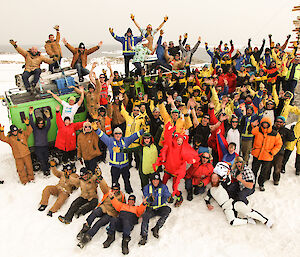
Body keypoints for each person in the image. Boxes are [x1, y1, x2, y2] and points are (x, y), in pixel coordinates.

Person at [153, 122, 199, 207]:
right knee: (163, 183)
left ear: (183, 142)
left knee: (175, 187)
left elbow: (189, 157)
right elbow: (167, 137)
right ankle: (163, 195)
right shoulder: (171, 145)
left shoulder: (184, 150)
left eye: (181, 141)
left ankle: (179, 197)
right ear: (175, 140)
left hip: (175, 172)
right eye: (178, 140)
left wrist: (192, 159)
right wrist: (169, 130)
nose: (179, 142)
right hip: (168, 169)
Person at [205, 173, 273, 228]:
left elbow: (228, 180)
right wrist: (208, 204)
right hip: (226, 208)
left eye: (215, 178)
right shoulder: (211, 190)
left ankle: (265, 221)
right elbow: (206, 199)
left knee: (248, 211)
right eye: (212, 178)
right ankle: (247, 221)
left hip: (233, 202)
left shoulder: (223, 184)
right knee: (232, 222)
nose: (214, 180)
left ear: (218, 179)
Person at [93, 124, 144, 194]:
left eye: (119, 133)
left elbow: (134, 136)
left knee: (126, 180)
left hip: (125, 166)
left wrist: (143, 130)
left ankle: (128, 190)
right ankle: (115, 191)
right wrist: (96, 130)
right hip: (115, 167)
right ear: (114, 135)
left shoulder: (126, 141)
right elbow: (103, 136)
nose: (118, 135)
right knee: (114, 181)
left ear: (121, 134)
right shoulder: (110, 141)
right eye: (116, 133)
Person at [76, 178, 126, 249]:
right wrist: (100, 178)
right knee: (95, 212)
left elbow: (121, 207)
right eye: (113, 189)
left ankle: (86, 238)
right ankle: (86, 227)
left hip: (111, 213)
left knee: (99, 223)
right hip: (104, 207)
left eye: (116, 189)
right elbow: (103, 185)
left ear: (119, 189)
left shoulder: (121, 196)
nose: (115, 190)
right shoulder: (108, 191)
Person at [138, 173, 172, 245]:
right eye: (154, 180)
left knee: (168, 210)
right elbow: (145, 198)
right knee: (145, 217)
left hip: (160, 207)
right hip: (151, 208)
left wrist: (169, 198)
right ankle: (144, 236)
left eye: (157, 180)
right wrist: (149, 199)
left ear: (159, 180)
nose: (155, 181)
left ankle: (156, 228)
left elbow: (167, 195)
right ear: (151, 180)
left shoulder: (163, 187)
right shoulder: (147, 187)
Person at [251, 117, 283, 191]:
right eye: (263, 124)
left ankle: (261, 183)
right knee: (254, 170)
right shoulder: (258, 130)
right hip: (257, 155)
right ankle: (252, 184)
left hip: (267, 156)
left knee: (264, 172)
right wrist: (253, 126)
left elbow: (279, 144)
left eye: (266, 124)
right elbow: (252, 131)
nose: (265, 125)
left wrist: (272, 152)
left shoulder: (274, 133)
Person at [0, 120, 33, 184]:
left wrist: (28, 124)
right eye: (13, 131)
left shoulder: (22, 134)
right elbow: (2, 138)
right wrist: (1, 131)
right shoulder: (10, 138)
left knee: (29, 167)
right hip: (18, 156)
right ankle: (24, 181)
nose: (15, 132)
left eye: (15, 130)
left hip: (26, 154)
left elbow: (30, 131)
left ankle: (31, 179)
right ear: (11, 132)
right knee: (21, 170)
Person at [271, 116, 295, 185]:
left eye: (280, 122)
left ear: (283, 123)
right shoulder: (271, 129)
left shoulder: (285, 131)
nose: (278, 123)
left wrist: (292, 131)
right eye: (277, 121)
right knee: (268, 166)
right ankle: (266, 177)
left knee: (277, 167)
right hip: (270, 150)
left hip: (280, 152)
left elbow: (292, 138)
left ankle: (276, 179)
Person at [29, 106, 51, 176]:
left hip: (45, 146)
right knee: (41, 160)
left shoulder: (45, 129)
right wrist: (30, 114)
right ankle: (45, 171)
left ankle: (48, 170)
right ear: (37, 124)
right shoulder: (35, 129)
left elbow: (49, 124)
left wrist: (48, 118)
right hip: (38, 148)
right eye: (39, 123)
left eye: (42, 123)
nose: (40, 124)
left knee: (46, 159)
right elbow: (31, 122)